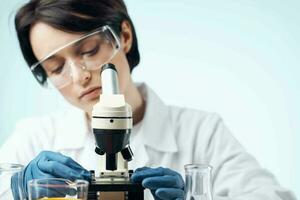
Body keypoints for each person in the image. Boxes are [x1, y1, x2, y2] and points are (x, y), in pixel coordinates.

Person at [0, 0, 296, 200]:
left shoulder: (201, 132)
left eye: (88, 50)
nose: (79, 77)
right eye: (56, 68)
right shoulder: (34, 137)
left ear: (124, 36)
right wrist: (15, 189)